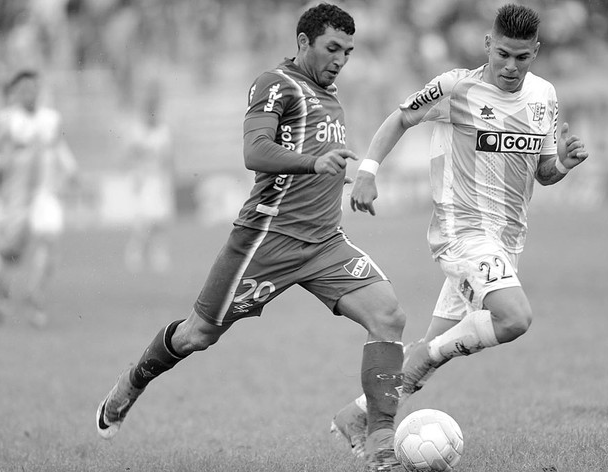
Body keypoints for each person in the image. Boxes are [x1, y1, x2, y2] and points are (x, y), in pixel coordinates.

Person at [96, 4, 407, 471]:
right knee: (197, 335)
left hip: (324, 243)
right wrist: (312, 163)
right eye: (331, 48)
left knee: (389, 316)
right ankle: (131, 383)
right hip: (264, 242)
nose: (341, 59)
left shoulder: (332, 94)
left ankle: (381, 442)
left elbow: (319, 154)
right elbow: (254, 150)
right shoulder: (276, 84)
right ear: (303, 42)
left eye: (348, 50)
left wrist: (343, 176)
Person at [331, 3, 590, 458]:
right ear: (488, 43)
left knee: (430, 348)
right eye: (503, 53)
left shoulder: (544, 96)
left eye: (522, 57)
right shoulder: (456, 87)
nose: (511, 66)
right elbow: (400, 118)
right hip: (461, 231)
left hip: (506, 241)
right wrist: (369, 171)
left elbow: (543, 172)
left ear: (536, 52)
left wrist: (562, 165)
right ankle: (421, 368)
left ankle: (357, 416)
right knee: (514, 318)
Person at [0, 69, 78, 327]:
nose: (30, 93)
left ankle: (35, 298)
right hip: (14, 197)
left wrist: (71, 169)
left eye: (33, 88)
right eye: (24, 89)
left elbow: (59, 146)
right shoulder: (4, 121)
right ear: (15, 93)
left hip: (44, 195)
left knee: (49, 242)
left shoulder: (50, 119)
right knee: (8, 255)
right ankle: (0, 299)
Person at [122, 81, 175, 273]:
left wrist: (168, 179)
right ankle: (134, 254)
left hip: (159, 180)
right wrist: (135, 176)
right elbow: (130, 155)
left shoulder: (163, 131)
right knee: (142, 221)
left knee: (161, 221)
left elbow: (168, 159)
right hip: (143, 180)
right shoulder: (138, 131)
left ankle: (158, 255)